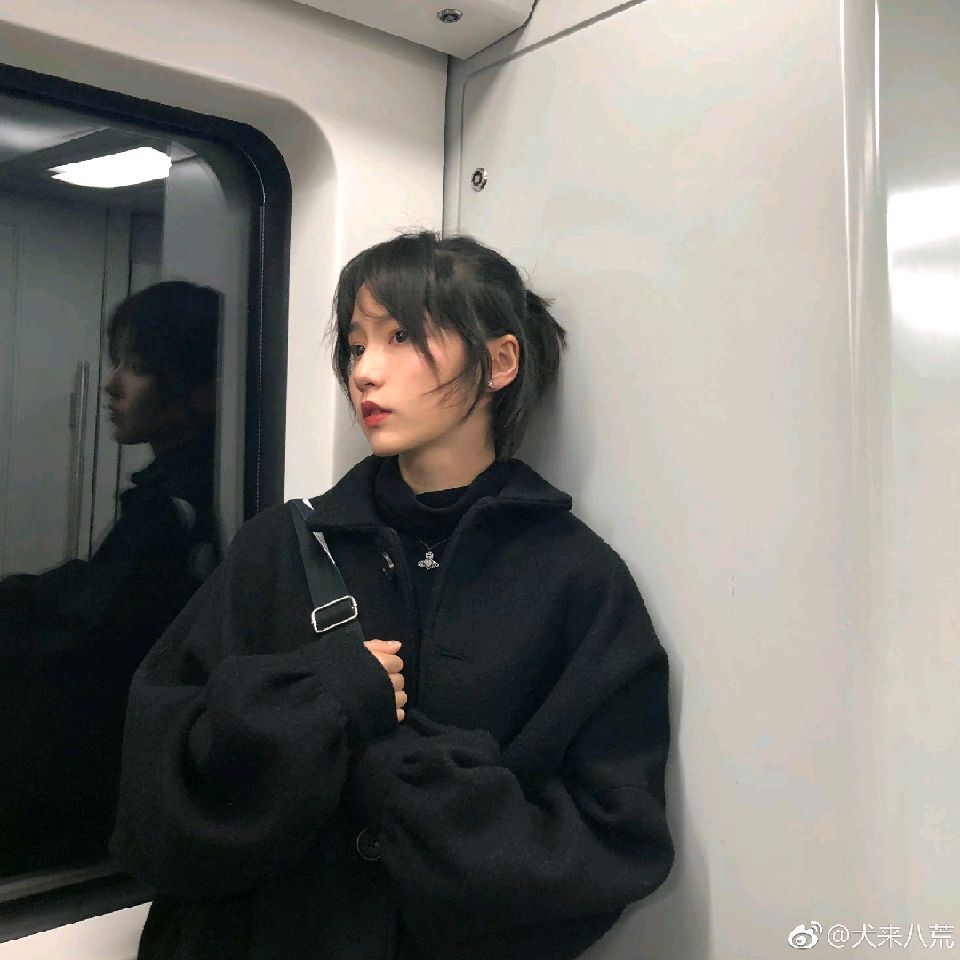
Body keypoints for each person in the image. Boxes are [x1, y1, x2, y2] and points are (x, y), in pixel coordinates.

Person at [110, 234, 673, 960]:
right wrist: (316, 700)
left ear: (500, 362)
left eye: (402, 336)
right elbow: (155, 788)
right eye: (355, 345)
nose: (364, 372)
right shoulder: (279, 546)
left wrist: (408, 787)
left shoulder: (576, 577)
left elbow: (614, 842)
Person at [0, 281, 222, 875]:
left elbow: (91, 629)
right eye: (118, 361)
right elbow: (94, 588)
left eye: (139, 367)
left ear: (200, 391)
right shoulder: (178, 490)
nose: (113, 384)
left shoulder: (179, 508)